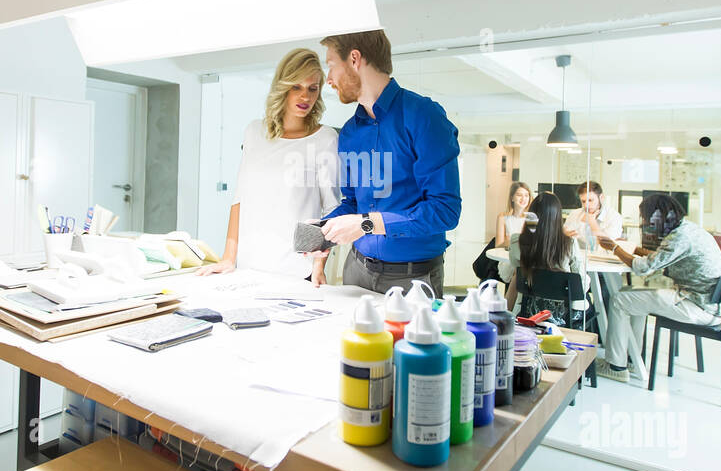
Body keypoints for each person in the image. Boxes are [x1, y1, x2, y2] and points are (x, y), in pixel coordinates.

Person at [316, 29, 462, 297]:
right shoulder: (349, 132)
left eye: (331, 65)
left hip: (413, 279)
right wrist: (323, 230)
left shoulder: (424, 118)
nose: (328, 79)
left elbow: (445, 211)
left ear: (355, 59)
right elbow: (352, 204)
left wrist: (366, 224)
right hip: (356, 271)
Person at [197, 48, 339, 281]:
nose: (306, 97)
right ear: (283, 86)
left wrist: (319, 265)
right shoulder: (254, 132)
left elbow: (331, 210)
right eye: (297, 87)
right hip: (248, 266)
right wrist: (227, 258)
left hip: (297, 270)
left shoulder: (325, 139)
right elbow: (239, 199)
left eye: (313, 89)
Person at [596, 193, 721, 380]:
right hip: (706, 304)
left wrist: (614, 248)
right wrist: (632, 248)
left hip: (697, 307)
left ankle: (616, 367)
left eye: (645, 218)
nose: (644, 224)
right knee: (629, 294)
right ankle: (631, 359)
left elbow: (644, 268)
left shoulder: (679, 237)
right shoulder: (687, 230)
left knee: (619, 299)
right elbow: (661, 258)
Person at [506, 192, 591, 325]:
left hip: (529, 311)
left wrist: (506, 313)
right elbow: (581, 285)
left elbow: (517, 276)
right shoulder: (569, 243)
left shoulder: (517, 241)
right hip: (564, 316)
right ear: (557, 217)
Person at [563, 180, 623, 253]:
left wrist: (592, 223)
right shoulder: (575, 214)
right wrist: (565, 235)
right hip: (580, 257)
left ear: (601, 198)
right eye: (583, 201)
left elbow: (610, 245)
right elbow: (565, 236)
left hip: (604, 259)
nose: (586, 205)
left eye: (590, 200)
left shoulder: (614, 217)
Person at [495, 181, 532, 283]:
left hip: (527, 257)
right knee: (520, 268)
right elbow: (498, 245)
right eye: (519, 195)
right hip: (509, 259)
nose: (523, 199)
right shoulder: (503, 217)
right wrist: (517, 240)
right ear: (512, 198)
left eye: (526, 195)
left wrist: (511, 240)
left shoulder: (532, 217)